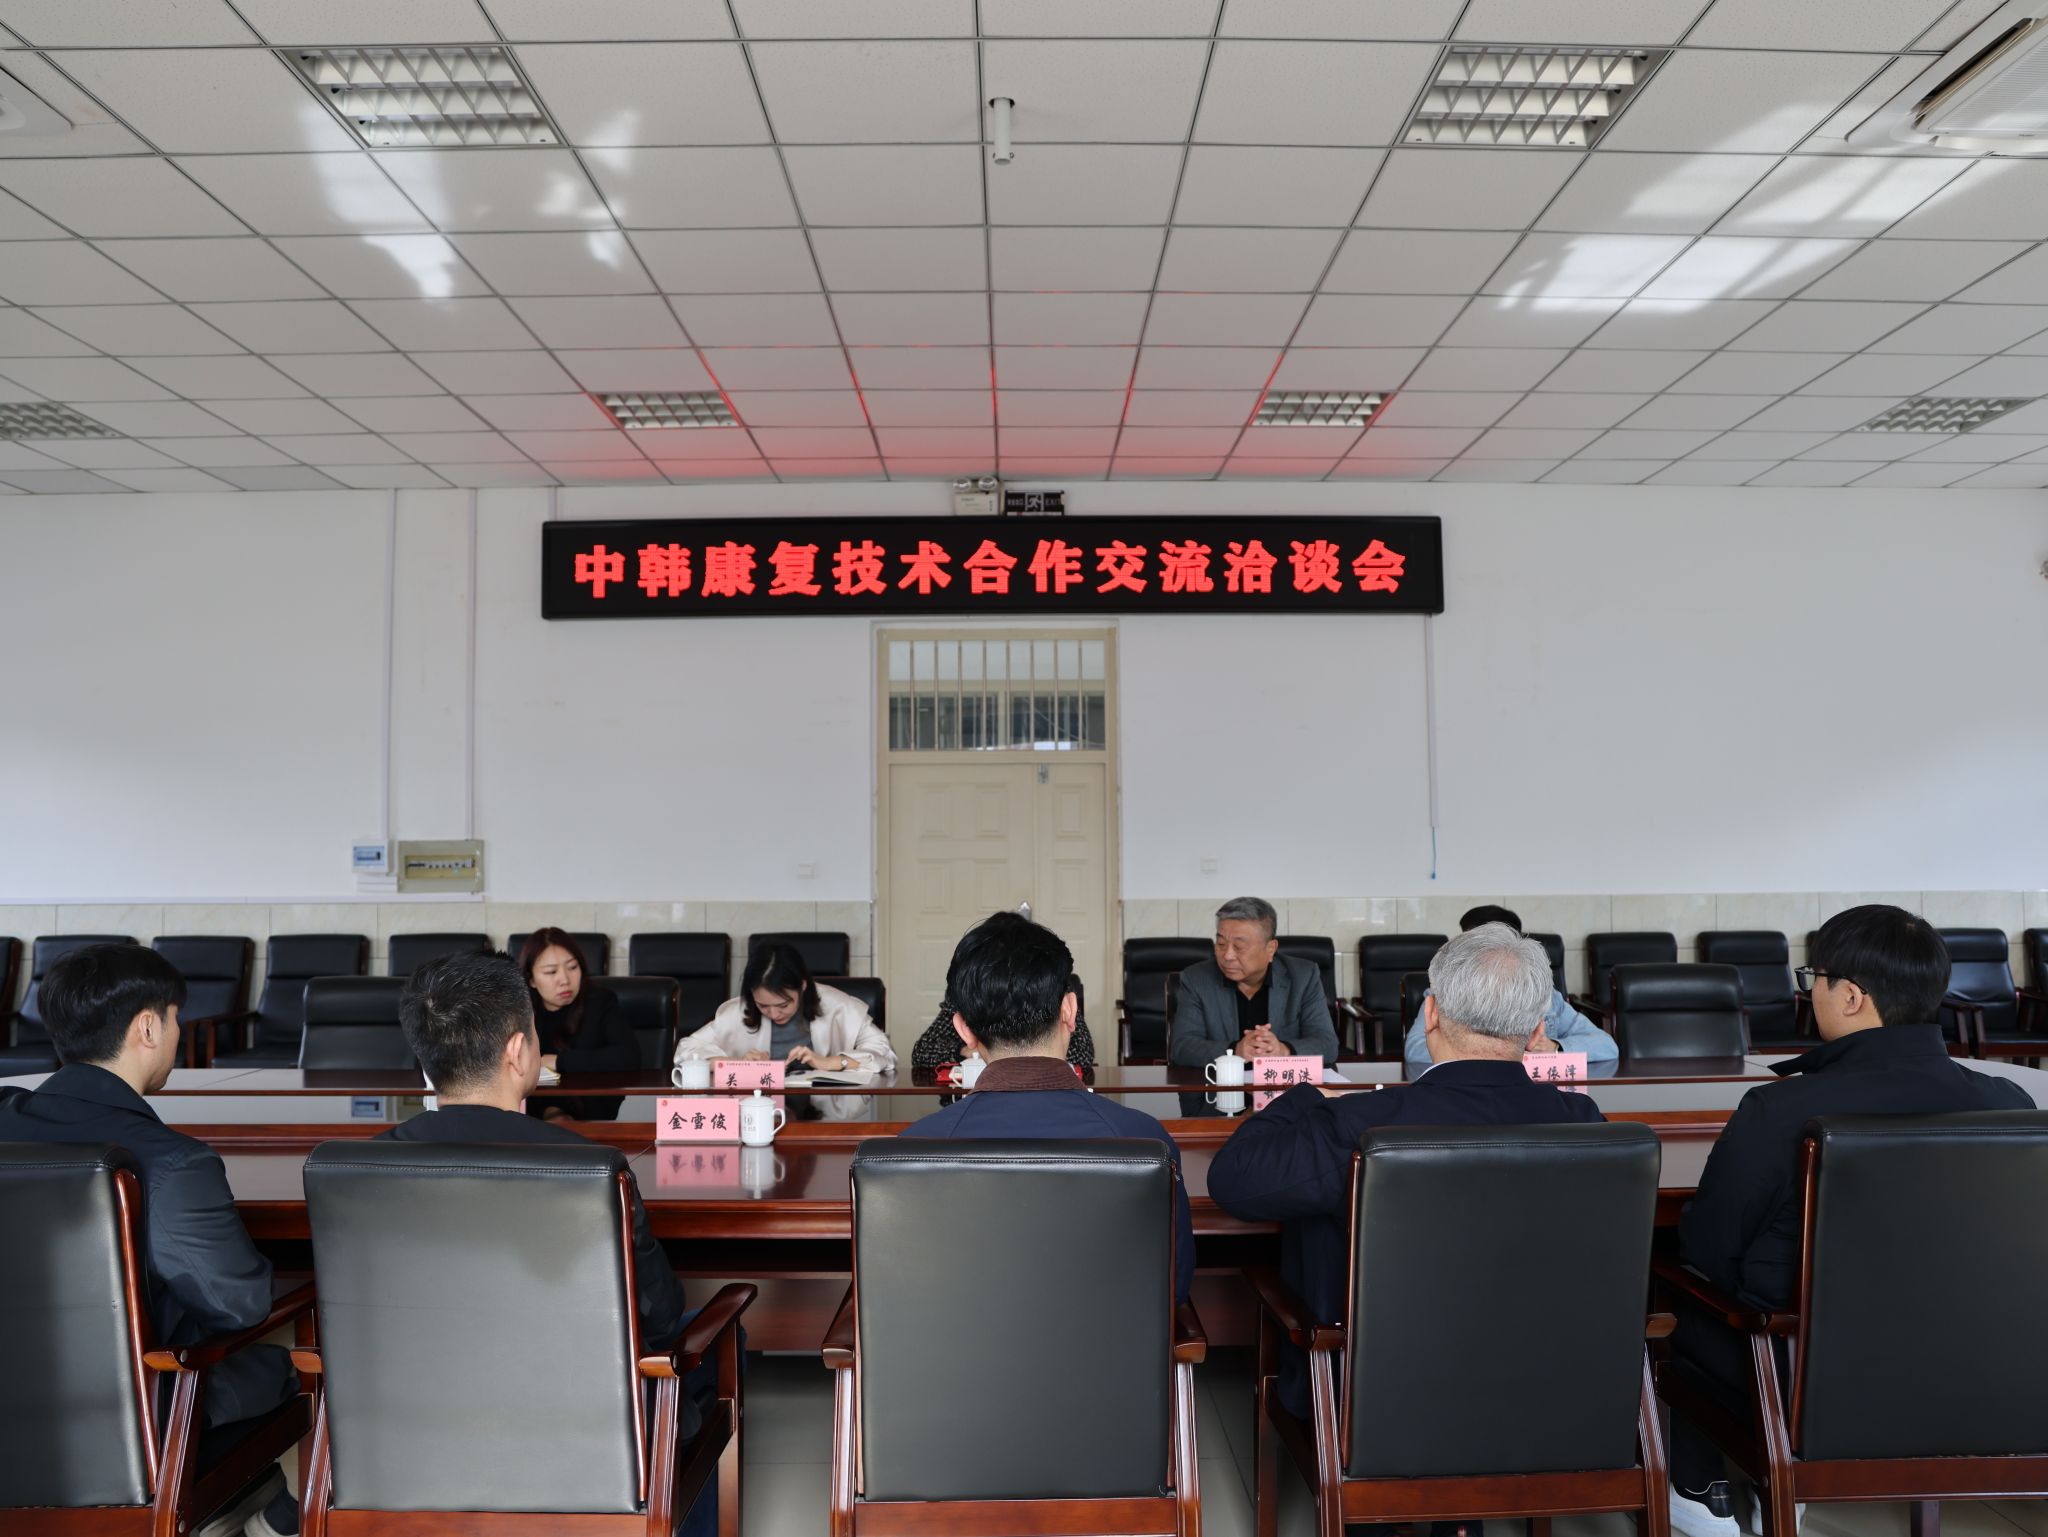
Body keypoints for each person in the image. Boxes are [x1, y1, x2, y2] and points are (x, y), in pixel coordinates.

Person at [1667, 905, 2031, 1537]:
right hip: (1984, 1376)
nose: (1810, 992)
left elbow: (1709, 1249)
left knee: (1666, 1291)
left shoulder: (1781, 1108)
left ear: (1853, 997)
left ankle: (1700, 1493)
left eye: (1816, 977)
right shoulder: (2009, 1105)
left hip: (1805, 1381)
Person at [1208, 923, 1605, 1421]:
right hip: (1550, 1400)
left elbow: (1233, 1180)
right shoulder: (1583, 1123)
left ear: (1431, 1013)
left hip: (1379, 1406)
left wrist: (1304, 1096)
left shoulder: (1359, 1123)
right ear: (1537, 1030)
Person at [0, 944, 302, 1537]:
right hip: (133, 1427)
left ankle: (250, 1500)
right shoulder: (171, 1163)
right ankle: (265, 1514)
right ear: (147, 1027)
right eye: (175, 1019)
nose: (178, 1033)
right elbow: (238, 1306)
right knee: (300, 1353)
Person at [899, 912, 1195, 1303]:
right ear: (1070, 1010)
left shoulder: (914, 1148)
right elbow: (1173, 1286)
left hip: (960, 1342)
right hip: (1107, 1343)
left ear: (964, 1030)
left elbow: (906, 1291)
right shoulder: (1144, 1139)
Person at [1403, 905, 1617, 1079]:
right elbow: (1414, 1050)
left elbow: (1606, 1045)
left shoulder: (1545, 998)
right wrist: (1498, 1052)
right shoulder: (1444, 993)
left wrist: (1555, 1048)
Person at [1167, 896, 1340, 1068]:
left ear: (1270, 949)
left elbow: (1327, 1044)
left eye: (1239, 947)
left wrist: (1283, 1050)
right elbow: (1182, 1048)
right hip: (1221, 1083)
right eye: (1221, 943)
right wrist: (1235, 1051)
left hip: (1282, 1083)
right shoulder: (1196, 979)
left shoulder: (1303, 977)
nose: (1227, 955)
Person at [675, 942, 897, 1076]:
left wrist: (832, 1062)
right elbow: (686, 1051)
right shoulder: (737, 1011)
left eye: (783, 1005)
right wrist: (736, 1064)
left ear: (803, 986)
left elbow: (884, 1052)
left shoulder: (838, 1006)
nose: (773, 1014)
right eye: (763, 1005)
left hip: (826, 1113)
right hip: (757, 1107)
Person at [516, 928, 639, 1122]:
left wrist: (558, 1061)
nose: (565, 980)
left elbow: (628, 1056)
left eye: (572, 967)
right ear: (531, 979)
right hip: (532, 1117)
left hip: (593, 1115)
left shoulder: (600, 1001)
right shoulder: (519, 1010)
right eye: (551, 972)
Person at [910, 972, 1096, 1070]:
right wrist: (965, 1051)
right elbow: (923, 1053)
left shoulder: (1054, 986)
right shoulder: (968, 990)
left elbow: (1083, 1054)